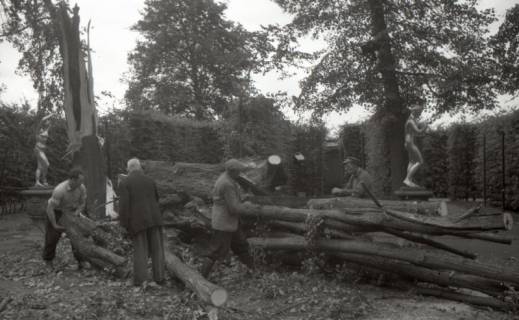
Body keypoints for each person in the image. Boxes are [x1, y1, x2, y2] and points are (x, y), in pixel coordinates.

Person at [200, 158, 254, 278]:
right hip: (224, 222)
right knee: (215, 251)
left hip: (230, 222)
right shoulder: (227, 183)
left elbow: (230, 199)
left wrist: (243, 197)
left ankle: (254, 273)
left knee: (242, 246)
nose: (240, 173)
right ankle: (201, 278)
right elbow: (234, 208)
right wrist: (246, 206)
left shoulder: (227, 178)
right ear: (232, 171)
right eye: (239, 170)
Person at [118, 158, 165, 286]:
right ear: (139, 167)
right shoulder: (150, 180)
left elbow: (123, 206)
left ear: (129, 168)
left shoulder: (125, 182)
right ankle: (160, 278)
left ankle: (141, 280)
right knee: (157, 249)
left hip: (138, 221)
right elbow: (156, 198)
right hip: (155, 218)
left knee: (140, 250)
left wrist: (123, 224)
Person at [42, 168, 87, 269]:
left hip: (72, 212)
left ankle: (81, 261)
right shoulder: (59, 190)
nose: (82, 183)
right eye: (80, 181)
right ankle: (48, 261)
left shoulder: (81, 188)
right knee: (52, 237)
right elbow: (50, 208)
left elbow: (82, 203)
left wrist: (76, 214)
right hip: (56, 212)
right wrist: (54, 224)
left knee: (77, 237)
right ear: (72, 179)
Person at [403, 103, 427, 188]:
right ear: (415, 111)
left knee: (412, 161)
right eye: (420, 112)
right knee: (420, 161)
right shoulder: (410, 121)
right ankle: (408, 179)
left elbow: (416, 134)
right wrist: (425, 126)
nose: (420, 114)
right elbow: (418, 131)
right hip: (410, 143)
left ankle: (409, 180)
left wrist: (422, 133)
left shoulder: (411, 120)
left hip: (408, 142)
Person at [34, 113, 53, 187]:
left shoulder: (46, 130)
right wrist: (50, 115)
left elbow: (49, 124)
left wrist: (50, 121)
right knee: (47, 164)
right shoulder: (38, 131)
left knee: (40, 167)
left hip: (42, 150)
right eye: (47, 121)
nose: (48, 121)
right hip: (38, 149)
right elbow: (42, 120)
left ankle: (38, 182)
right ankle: (43, 180)